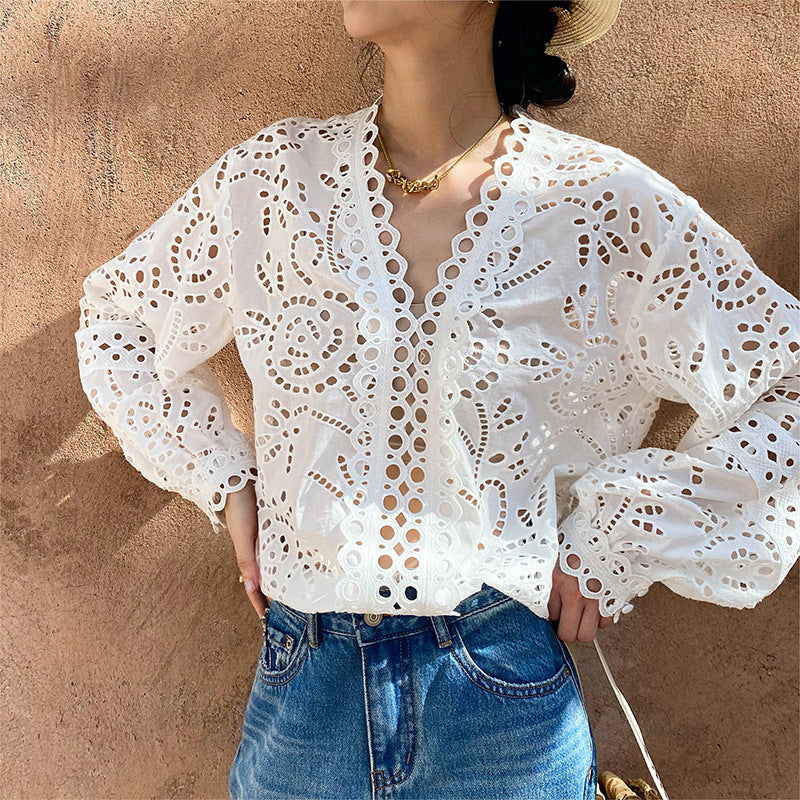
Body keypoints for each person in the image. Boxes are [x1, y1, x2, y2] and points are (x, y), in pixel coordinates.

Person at [74, 1, 800, 798]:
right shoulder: (274, 178)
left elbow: (788, 382)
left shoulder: (602, 204)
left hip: (503, 704)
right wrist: (223, 477)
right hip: (303, 698)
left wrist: (615, 541)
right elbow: (119, 320)